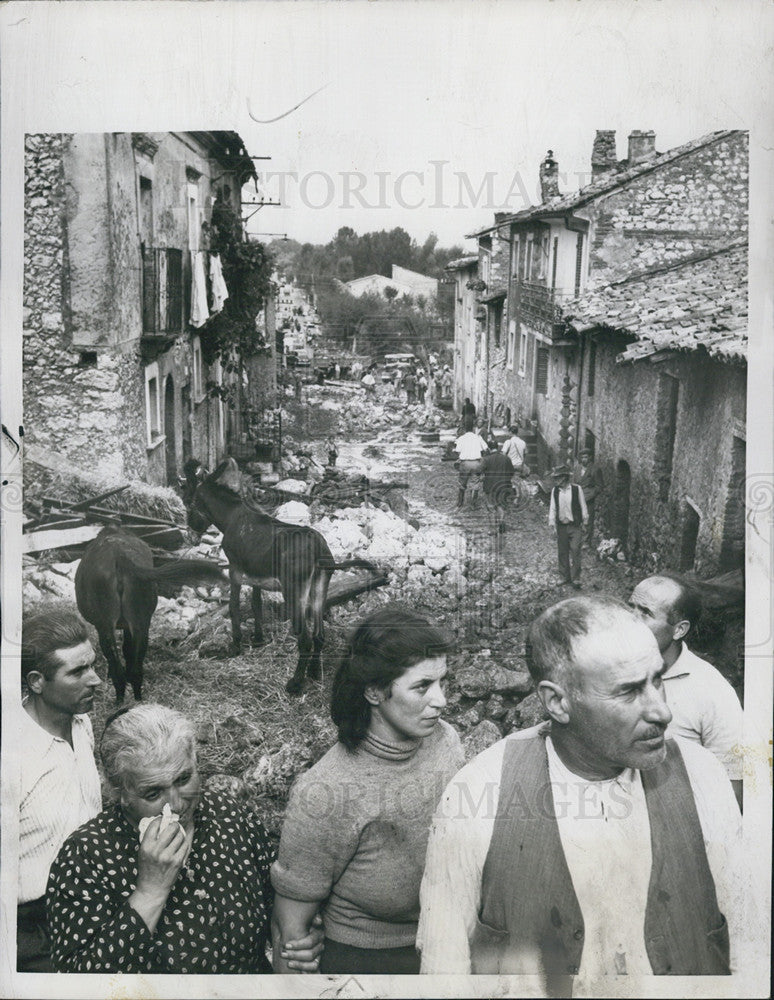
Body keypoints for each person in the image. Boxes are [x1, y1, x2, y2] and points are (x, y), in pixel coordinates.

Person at [418, 597, 742, 983]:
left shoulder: (703, 775)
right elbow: (443, 972)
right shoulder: (477, 794)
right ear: (557, 701)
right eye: (628, 692)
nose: (662, 712)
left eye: (658, 680)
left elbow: (750, 944)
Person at [46, 703, 322, 973]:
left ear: (195, 763)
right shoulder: (85, 856)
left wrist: (302, 941)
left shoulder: (229, 815)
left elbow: (277, 907)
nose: (177, 804)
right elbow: (80, 981)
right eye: (153, 793)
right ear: (121, 794)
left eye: (183, 779)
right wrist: (150, 891)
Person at [271, 605, 464, 975]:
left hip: (446, 931)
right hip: (368, 956)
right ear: (374, 692)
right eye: (422, 686)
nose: (441, 700)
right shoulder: (325, 792)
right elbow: (290, 929)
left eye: (443, 682)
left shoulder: (446, 742)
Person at [17, 605, 103, 972]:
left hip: (95, 900)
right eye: (78, 671)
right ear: (37, 681)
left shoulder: (82, 724)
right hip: (34, 929)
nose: (96, 680)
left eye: (94, 665)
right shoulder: (14, 758)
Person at [629, 573, 744, 806]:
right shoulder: (605, 666)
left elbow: (734, 784)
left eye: (645, 613)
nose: (631, 619)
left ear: (679, 630)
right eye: (630, 607)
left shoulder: (713, 691)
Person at [548, 464, 588, 588]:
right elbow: (553, 508)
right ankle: (564, 576)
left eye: (558, 478)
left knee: (575, 550)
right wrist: (552, 524)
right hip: (561, 526)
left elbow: (583, 506)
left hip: (575, 525)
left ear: (565, 478)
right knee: (562, 551)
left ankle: (576, 578)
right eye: (555, 478)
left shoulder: (577, 489)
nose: (556, 480)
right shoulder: (555, 491)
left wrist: (585, 522)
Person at [481, 442, 514, 534]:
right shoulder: (506, 458)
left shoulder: (486, 459)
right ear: (497, 447)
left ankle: (493, 530)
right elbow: (511, 472)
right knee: (501, 505)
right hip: (504, 486)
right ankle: (501, 523)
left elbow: (479, 470)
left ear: (489, 449)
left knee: (491, 507)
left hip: (490, 487)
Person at [453, 424, 489, 509]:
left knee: (462, 483)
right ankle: (473, 504)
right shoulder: (478, 437)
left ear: (465, 429)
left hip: (465, 463)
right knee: (475, 483)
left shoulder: (461, 438)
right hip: (476, 463)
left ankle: (460, 503)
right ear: (473, 429)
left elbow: (458, 451)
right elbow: (486, 448)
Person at [576, 448, 604, 544]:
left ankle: (586, 541)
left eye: (586, 457)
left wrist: (590, 495)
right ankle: (577, 539)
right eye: (582, 457)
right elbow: (573, 482)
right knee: (576, 519)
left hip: (588, 500)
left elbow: (599, 486)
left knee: (587, 520)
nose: (584, 459)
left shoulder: (595, 469)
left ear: (590, 458)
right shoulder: (577, 468)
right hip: (577, 498)